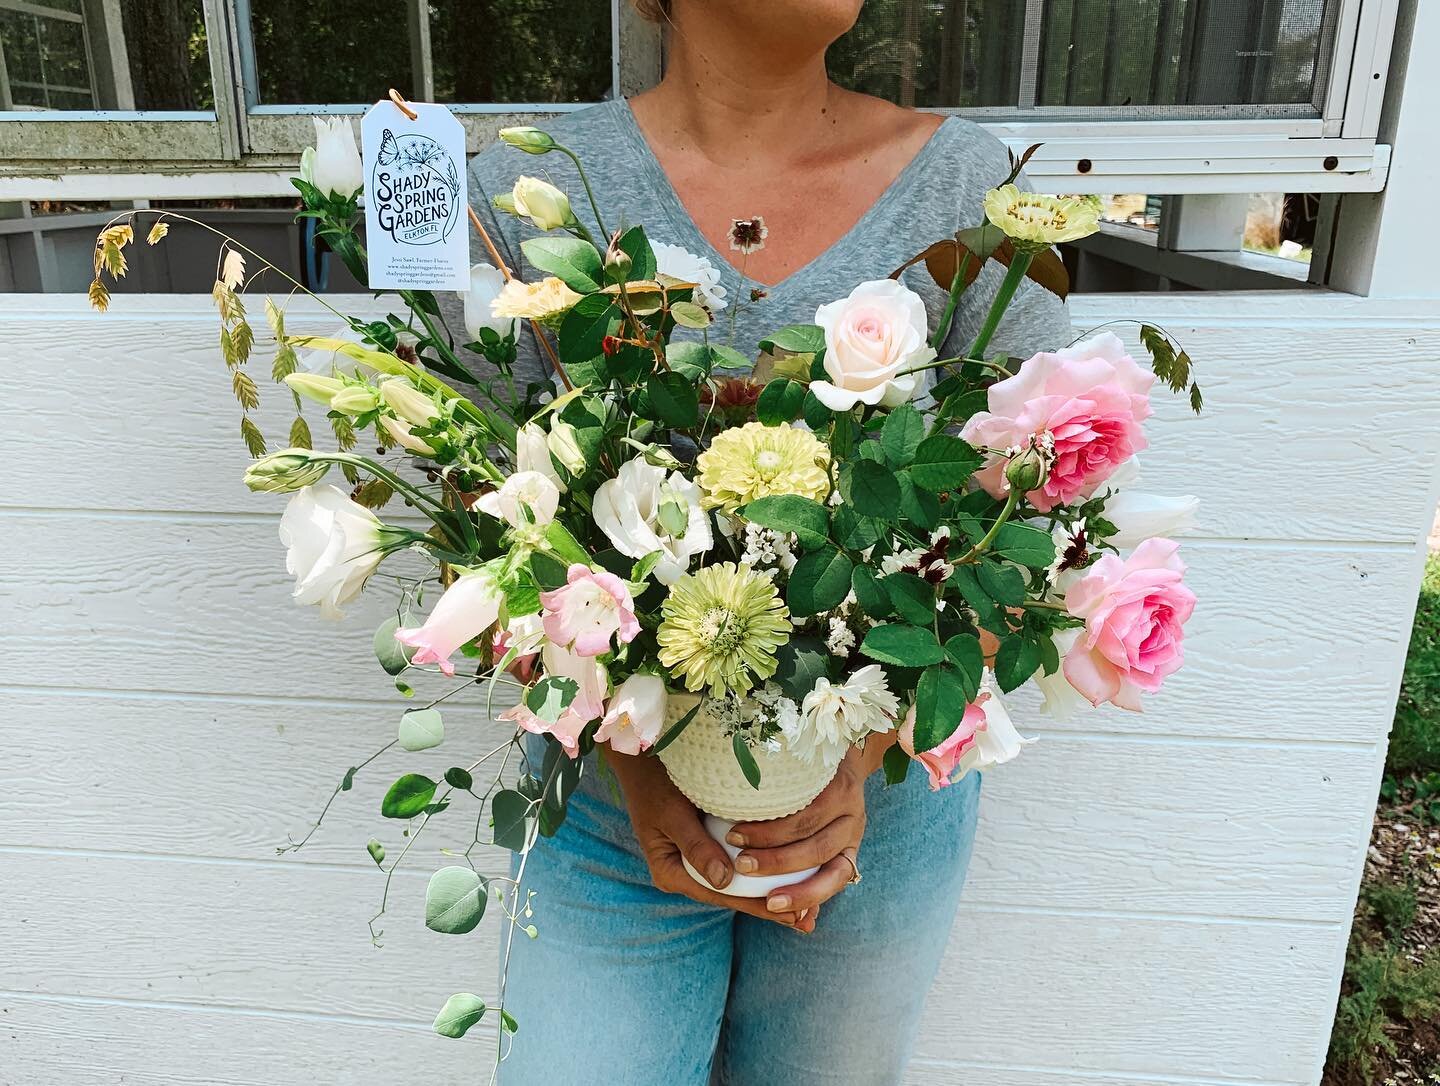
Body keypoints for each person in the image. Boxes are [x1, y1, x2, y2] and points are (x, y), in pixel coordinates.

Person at [451, 2, 1073, 1082]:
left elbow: (1033, 523)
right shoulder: (523, 191)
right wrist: (639, 760)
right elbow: (483, 515)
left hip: (873, 811)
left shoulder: (974, 191)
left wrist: (857, 760)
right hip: (608, 803)